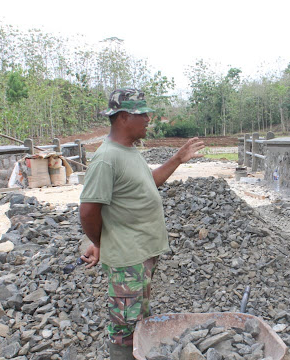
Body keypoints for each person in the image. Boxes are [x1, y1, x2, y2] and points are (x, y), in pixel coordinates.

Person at [79, 88, 205, 359]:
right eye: (143, 113)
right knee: (125, 328)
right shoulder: (106, 158)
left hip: (141, 255)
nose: (149, 118)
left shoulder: (129, 151)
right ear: (124, 117)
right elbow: (88, 210)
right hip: (127, 260)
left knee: (137, 318)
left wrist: (177, 159)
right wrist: (101, 243)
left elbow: (149, 183)